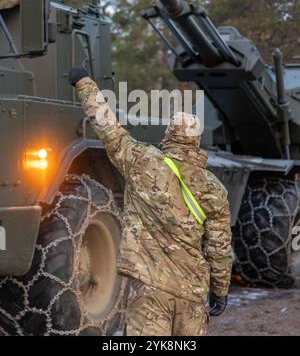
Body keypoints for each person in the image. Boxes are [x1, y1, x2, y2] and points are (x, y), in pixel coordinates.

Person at [69, 66, 232, 337]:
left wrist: (84, 83)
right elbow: (219, 246)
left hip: (149, 289)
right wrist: (220, 291)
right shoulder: (213, 188)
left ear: (168, 136)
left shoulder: (142, 162)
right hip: (192, 294)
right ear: (196, 142)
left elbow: (107, 125)